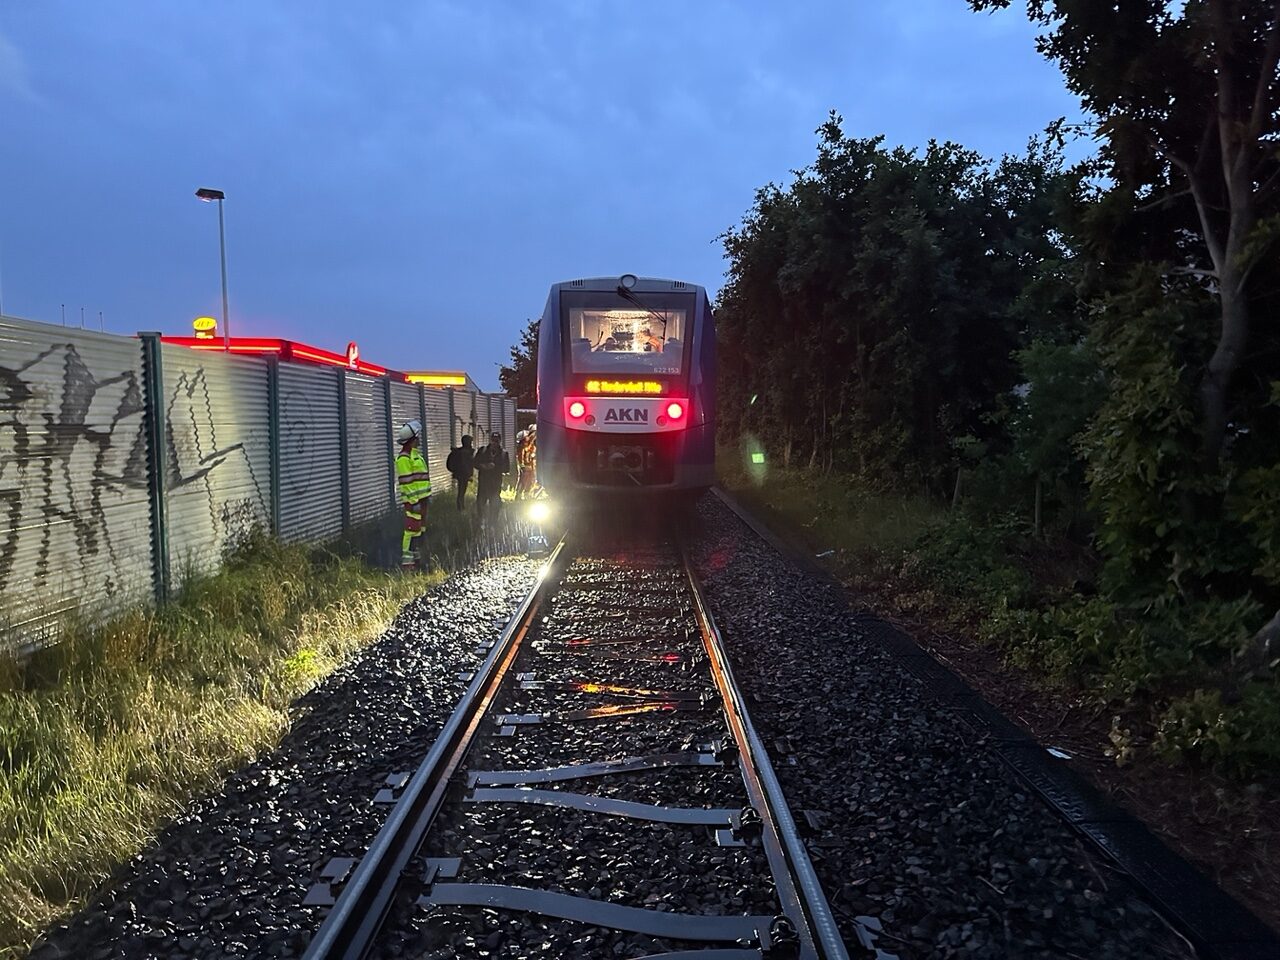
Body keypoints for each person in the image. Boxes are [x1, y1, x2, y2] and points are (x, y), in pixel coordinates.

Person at [394, 420, 431, 570]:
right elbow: (407, 483)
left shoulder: (415, 455)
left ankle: (418, 560)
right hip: (414, 502)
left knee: (420, 531)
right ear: (412, 440)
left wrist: (426, 498)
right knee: (411, 530)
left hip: (422, 501)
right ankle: (407, 564)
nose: (419, 439)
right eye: (417, 437)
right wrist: (414, 502)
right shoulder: (404, 458)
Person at [472, 431, 510, 526]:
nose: (495, 443)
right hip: (483, 482)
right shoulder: (483, 450)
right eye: (493, 440)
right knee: (481, 503)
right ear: (490, 440)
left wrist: (495, 467)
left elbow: (506, 468)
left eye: (497, 441)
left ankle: (493, 523)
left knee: (495, 504)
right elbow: (475, 463)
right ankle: (480, 521)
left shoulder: (504, 454)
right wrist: (484, 466)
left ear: (500, 441)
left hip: (495, 484)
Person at [446, 434, 475, 511]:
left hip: (460, 475)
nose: (471, 444)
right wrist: (469, 475)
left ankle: (461, 507)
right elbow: (466, 465)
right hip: (463, 475)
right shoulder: (465, 453)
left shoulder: (461, 451)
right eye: (470, 442)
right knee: (461, 492)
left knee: (461, 492)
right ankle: (460, 508)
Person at [517, 425, 537, 499]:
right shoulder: (525, 442)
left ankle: (527, 495)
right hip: (525, 465)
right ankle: (518, 495)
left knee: (530, 481)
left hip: (531, 465)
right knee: (523, 481)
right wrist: (522, 465)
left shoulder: (533, 443)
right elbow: (521, 454)